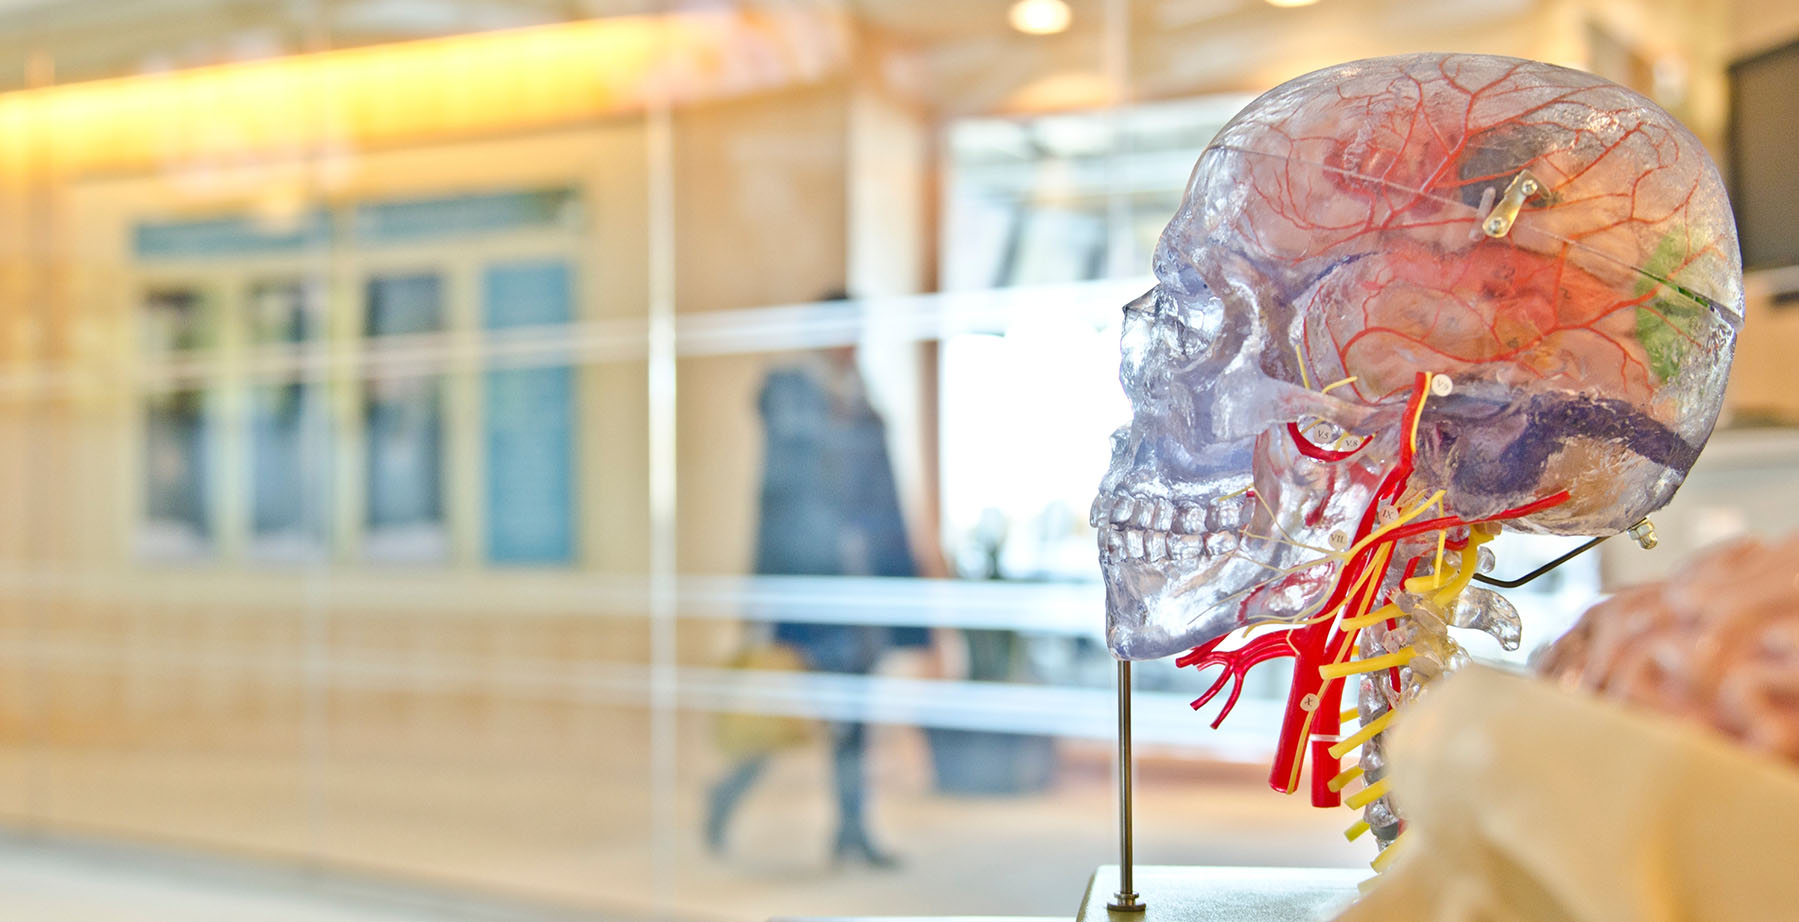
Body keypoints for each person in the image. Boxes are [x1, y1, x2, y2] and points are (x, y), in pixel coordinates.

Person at [705, 320, 924, 868]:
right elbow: (777, 504)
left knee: (852, 719)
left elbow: (884, 503)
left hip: (860, 594)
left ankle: (851, 829)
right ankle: (727, 792)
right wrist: (765, 599)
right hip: (810, 591)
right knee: (785, 711)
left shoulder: (863, 405)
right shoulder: (795, 401)